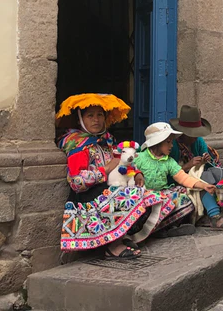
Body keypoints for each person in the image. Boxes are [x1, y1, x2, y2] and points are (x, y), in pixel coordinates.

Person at [56, 93, 167, 259]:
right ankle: (111, 247)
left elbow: (121, 162)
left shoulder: (108, 141)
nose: (96, 120)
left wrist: (136, 173)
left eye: (100, 114)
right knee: (125, 196)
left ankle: (125, 236)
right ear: (81, 119)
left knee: (149, 195)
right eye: (90, 115)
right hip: (88, 198)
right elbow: (76, 182)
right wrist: (105, 170)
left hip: (106, 190)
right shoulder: (77, 145)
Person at [135, 122, 217, 237]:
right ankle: (154, 229)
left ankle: (164, 227)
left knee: (185, 198)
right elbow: (126, 168)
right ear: (157, 142)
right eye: (168, 142)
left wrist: (203, 186)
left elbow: (183, 177)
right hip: (145, 197)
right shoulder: (140, 158)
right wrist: (136, 173)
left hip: (161, 195)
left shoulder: (169, 162)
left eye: (171, 142)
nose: (172, 145)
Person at [169, 105, 223, 231]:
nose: (196, 137)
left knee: (219, 173)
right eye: (193, 134)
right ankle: (214, 216)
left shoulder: (198, 141)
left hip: (199, 175)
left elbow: (209, 161)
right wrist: (187, 166)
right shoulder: (171, 145)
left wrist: (205, 160)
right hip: (179, 180)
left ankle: (221, 208)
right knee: (204, 181)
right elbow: (168, 173)